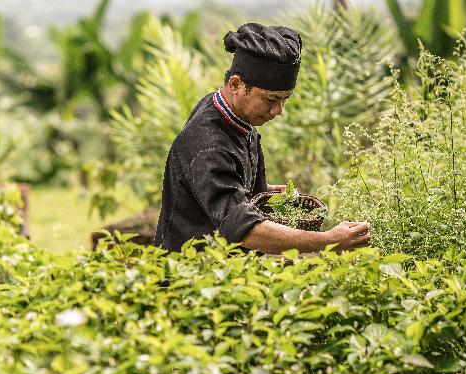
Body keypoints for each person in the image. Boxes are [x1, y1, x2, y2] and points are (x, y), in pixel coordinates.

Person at [154, 23, 371, 254]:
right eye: (271, 100)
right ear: (236, 84)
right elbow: (247, 231)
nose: (278, 111)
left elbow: (213, 183)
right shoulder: (207, 144)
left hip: (225, 268)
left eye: (284, 100)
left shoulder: (231, 114)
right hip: (189, 275)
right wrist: (328, 241)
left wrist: (261, 191)